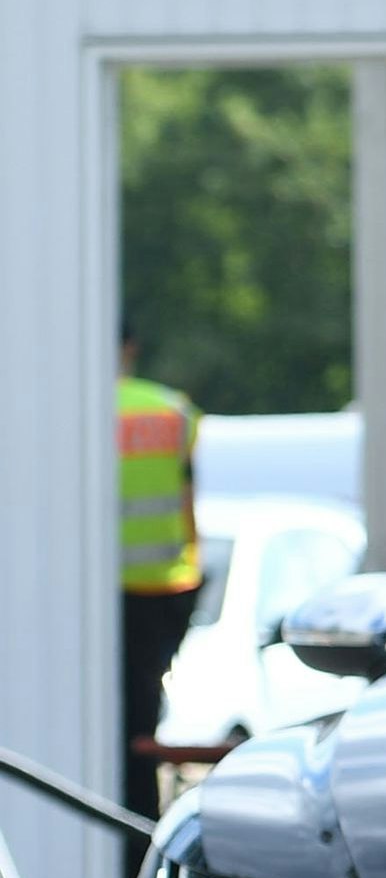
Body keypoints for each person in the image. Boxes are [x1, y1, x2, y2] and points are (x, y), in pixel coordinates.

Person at [115, 318, 205, 822]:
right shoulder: (174, 411)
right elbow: (190, 498)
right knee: (141, 739)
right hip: (161, 589)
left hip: (94, 596)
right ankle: (137, 846)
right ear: (131, 347)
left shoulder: (67, 405)